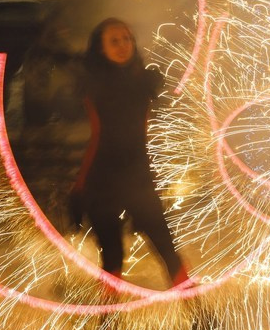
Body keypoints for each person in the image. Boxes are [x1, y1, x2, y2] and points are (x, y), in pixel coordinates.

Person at [69, 17, 189, 289]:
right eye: (114, 40)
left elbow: (141, 135)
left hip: (138, 178)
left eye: (127, 39)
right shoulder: (94, 85)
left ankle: (200, 314)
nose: (123, 45)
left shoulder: (144, 82)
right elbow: (98, 137)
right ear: (101, 49)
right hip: (103, 181)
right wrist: (79, 189)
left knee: (166, 248)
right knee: (112, 257)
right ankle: (109, 326)